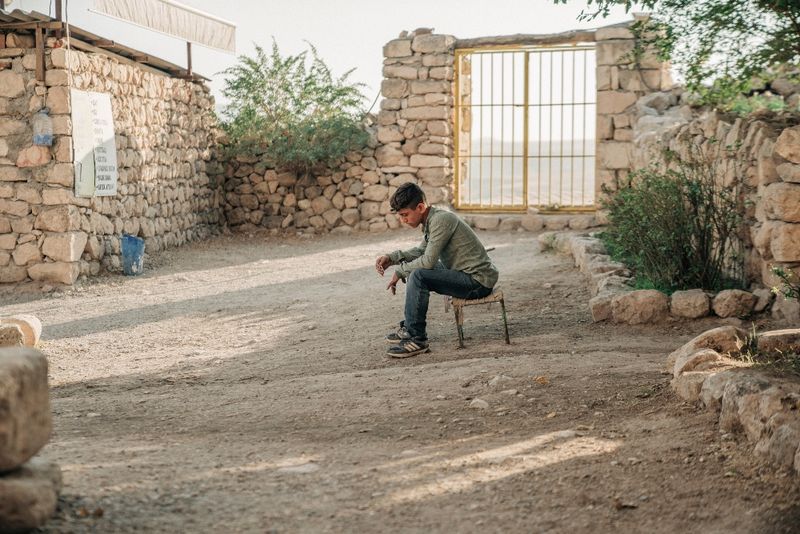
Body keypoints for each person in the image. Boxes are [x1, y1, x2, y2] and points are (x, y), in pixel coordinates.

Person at [375, 183, 499, 358]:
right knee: (417, 270)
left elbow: (427, 261)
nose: (403, 220)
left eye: (405, 215)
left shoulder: (441, 220)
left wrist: (400, 271)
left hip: (478, 281)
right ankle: (411, 330)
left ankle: (417, 338)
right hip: (464, 273)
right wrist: (393, 257)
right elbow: (421, 251)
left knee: (419, 274)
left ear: (420, 207)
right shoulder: (432, 219)